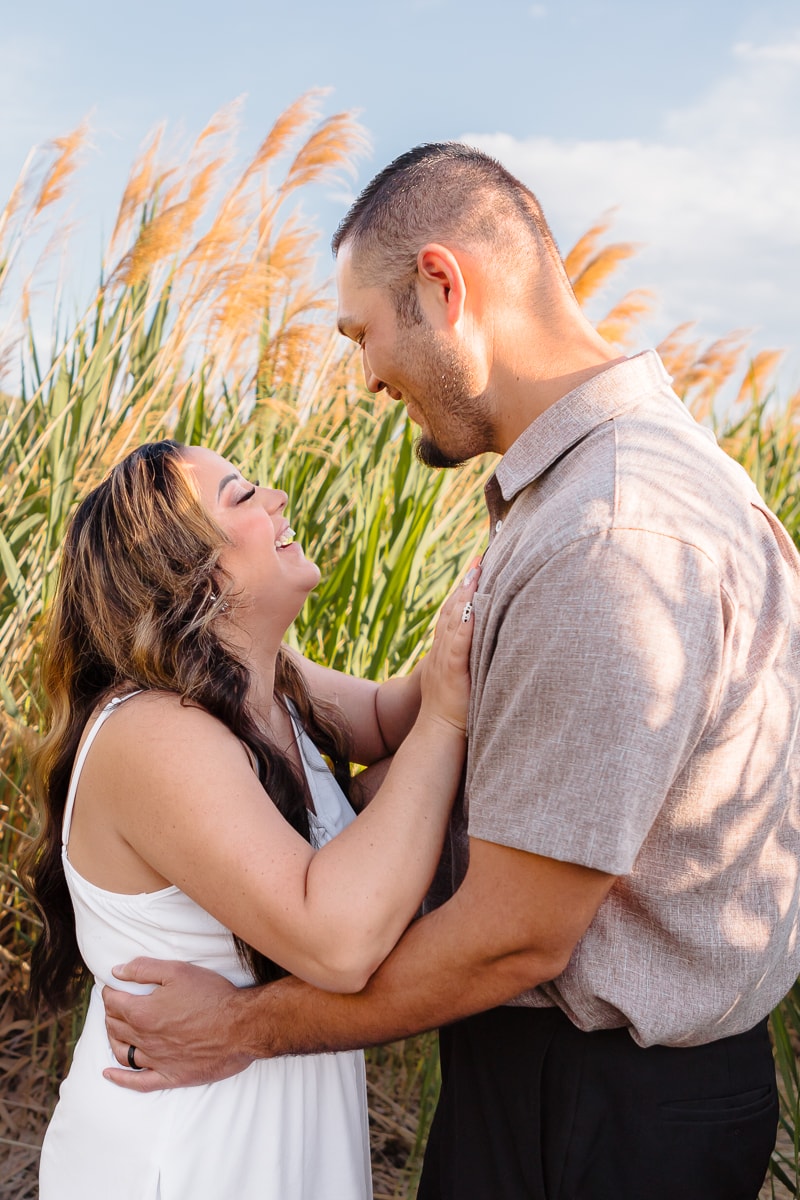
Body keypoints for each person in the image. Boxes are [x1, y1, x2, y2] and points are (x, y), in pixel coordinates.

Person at [102, 145, 800, 1200]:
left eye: (362, 334)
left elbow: (509, 940)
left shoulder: (606, 540)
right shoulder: (602, 492)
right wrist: (218, 645)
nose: (368, 376)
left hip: (594, 1121)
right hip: (593, 1101)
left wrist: (239, 1028)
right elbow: (427, 722)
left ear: (441, 286)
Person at [24, 437, 479, 1200]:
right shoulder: (152, 732)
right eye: (242, 497)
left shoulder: (270, 688)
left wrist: (480, 627)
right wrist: (448, 720)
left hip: (276, 1132)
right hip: (186, 1151)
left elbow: (397, 717)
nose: (277, 499)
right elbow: (337, 941)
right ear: (190, 573)